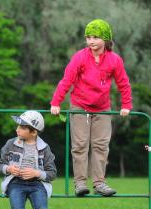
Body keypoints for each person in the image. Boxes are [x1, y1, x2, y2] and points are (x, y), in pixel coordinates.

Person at [50, 19, 132, 197]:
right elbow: (67, 80)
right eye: (88, 37)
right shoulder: (80, 56)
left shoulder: (114, 60)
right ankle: (80, 183)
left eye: (95, 37)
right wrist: (56, 102)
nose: (91, 41)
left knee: (101, 146)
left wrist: (126, 105)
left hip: (102, 108)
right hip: (80, 105)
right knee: (79, 145)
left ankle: (99, 183)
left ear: (105, 39)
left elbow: (123, 84)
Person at [0, 110, 57, 209]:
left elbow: (52, 173)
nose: (17, 129)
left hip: (37, 185)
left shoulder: (45, 148)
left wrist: (37, 173)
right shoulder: (10, 144)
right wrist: (8, 168)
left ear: (33, 132)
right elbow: (0, 165)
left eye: (22, 127)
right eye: (18, 126)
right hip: (16, 184)